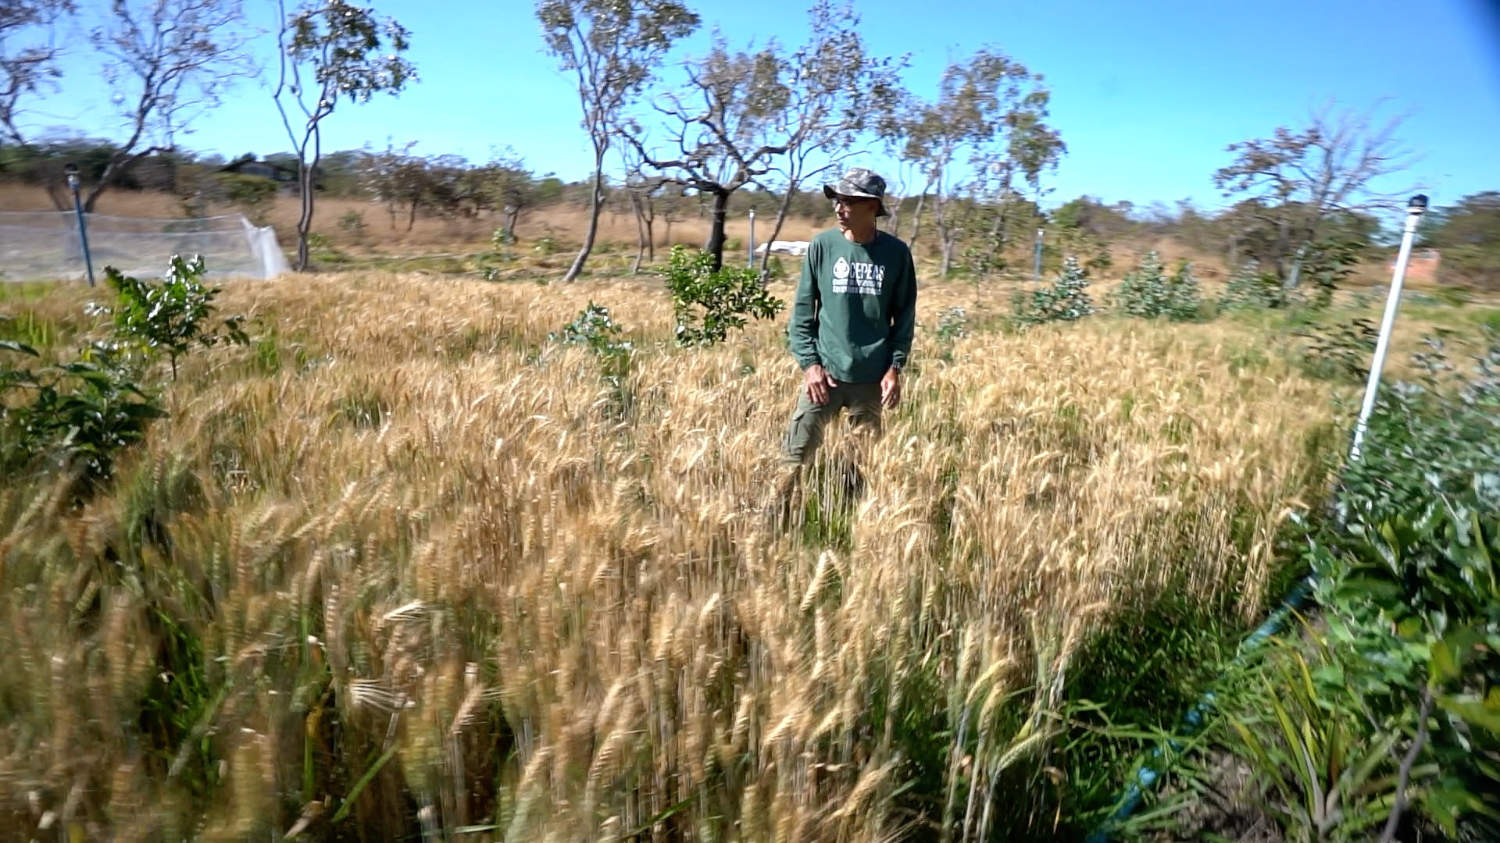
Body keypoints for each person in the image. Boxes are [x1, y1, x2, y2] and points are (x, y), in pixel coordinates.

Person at [778, 167, 917, 473]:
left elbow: (904, 318)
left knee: (861, 467)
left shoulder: (896, 254)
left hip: (871, 379)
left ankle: (853, 520)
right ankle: (777, 515)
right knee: (793, 459)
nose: (839, 208)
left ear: (872, 206)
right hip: (824, 376)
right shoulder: (823, 246)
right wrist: (810, 365)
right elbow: (802, 313)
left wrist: (894, 368)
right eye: (837, 201)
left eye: (848, 201)